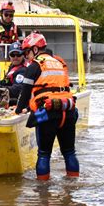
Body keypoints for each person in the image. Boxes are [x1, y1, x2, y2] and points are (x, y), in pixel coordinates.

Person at [15, 32, 79, 181]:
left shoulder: (35, 65)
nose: (26, 56)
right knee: (69, 152)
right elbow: (55, 87)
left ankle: (42, 191)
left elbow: (25, 93)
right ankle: (73, 184)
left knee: (44, 154)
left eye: (27, 52)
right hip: (68, 110)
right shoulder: (60, 62)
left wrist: (18, 110)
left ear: (35, 49)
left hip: (48, 112)